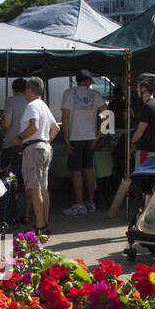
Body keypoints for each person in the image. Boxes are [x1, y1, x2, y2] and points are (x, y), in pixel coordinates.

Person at [17, 76, 60, 239]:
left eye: (26, 89)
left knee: (34, 189)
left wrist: (19, 138)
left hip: (33, 147)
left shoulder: (32, 105)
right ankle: (45, 222)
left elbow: (33, 126)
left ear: (29, 89)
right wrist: (46, 142)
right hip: (44, 148)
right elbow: (55, 128)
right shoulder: (44, 106)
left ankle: (40, 226)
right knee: (43, 188)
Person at [61, 68, 106, 215]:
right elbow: (108, 116)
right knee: (89, 170)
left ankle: (80, 204)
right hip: (91, 138)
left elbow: (65, 117)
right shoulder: (96, 94)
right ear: (87, 80)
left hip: (75, 137)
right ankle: (91, 203)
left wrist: (66, 138)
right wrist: (98, 136)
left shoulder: (69, 93)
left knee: (76, 172)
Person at [129, 77, 155, 174]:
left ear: (144, 88)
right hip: (154, 149)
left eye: (138, 87)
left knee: (142, 180)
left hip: (145, 150)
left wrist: (133, 142)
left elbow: (140, 131)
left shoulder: (147, 106)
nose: (136, 89)